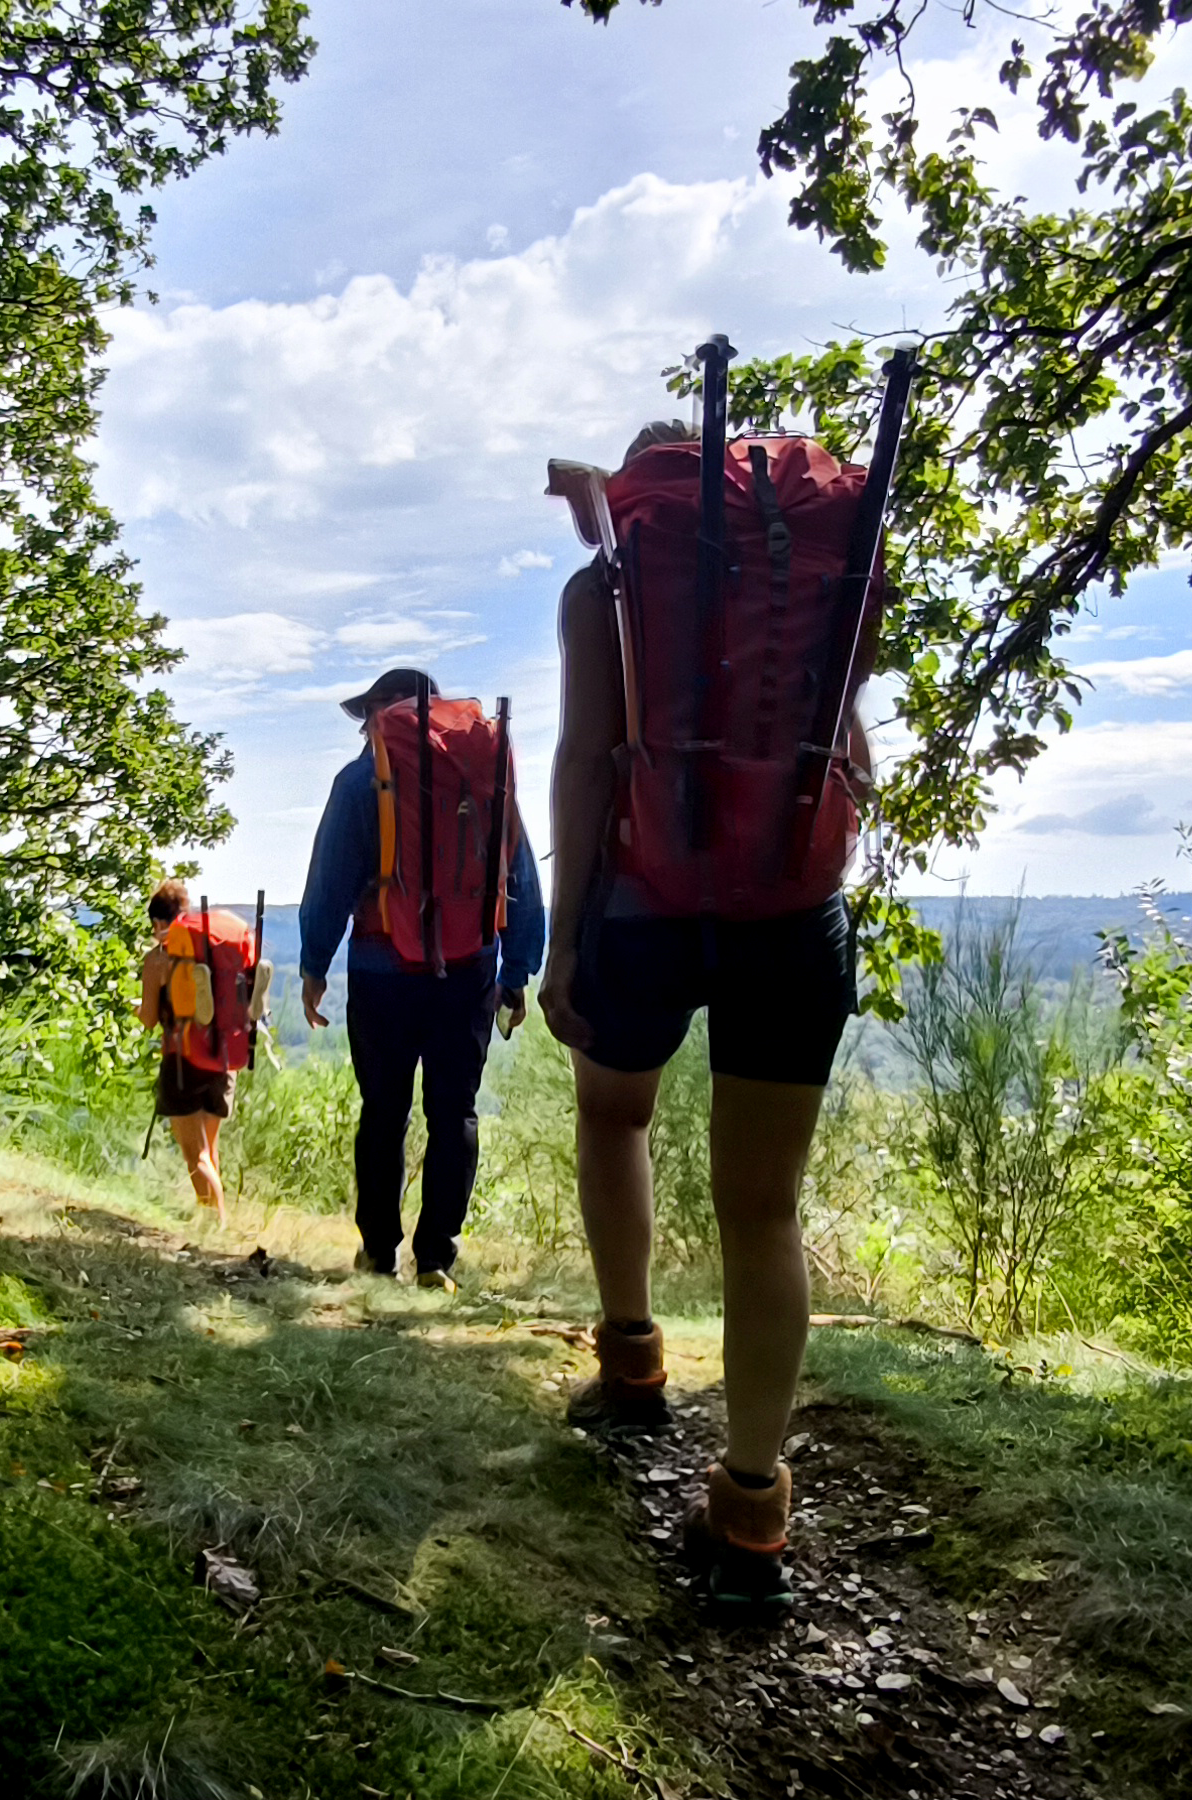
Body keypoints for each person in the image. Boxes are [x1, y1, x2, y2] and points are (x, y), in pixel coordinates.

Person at [543, 387, 898, 1603]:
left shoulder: (607, 588)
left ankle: (632, 1359)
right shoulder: (816, 574)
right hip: (792, 914)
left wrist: (562, 941)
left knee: (614, 1115)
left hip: (642, 902)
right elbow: (846, 737)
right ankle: (751, 1510)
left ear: (639, 499)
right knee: (763, 1209)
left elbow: (584, 762)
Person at [296, 667, 546, 1289]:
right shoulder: (484, 773)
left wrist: (313, 965)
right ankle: (436, 1259)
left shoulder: (360, 780)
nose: (365, 728)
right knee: (454, 1113)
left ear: (383, 711)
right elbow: (518, 876)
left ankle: (379, 1252)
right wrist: (517, 971)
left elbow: (329, 880)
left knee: (384, 1111)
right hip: (470, 969)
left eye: (368, 715)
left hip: (381, 966)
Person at [136, 880, 264, 1218]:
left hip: (183, 1062)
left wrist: (137, 1008)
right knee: (210, 1153)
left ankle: (216, 1225)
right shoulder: (208, 947)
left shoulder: (159, 959)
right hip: (225, 1056)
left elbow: (149, 1019)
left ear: (157, 923)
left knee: (197, 1157)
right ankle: (210, 1219)